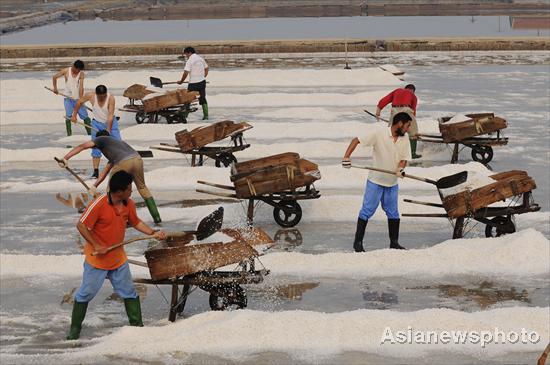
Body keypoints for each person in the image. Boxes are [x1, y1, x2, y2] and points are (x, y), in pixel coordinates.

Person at [65, 170, 166, 340]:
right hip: (97, 259)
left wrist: (152, 232)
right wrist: (97, 244)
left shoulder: (128, 204)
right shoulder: (99, 204)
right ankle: (74, 331)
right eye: (129, 189)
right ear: (120, 191)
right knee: (85, 294)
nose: (131, 191)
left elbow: (136, 222)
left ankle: (137, 328)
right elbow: (81, 225)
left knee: (129, 293)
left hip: (118, 259)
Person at [342, 112, 412, 252]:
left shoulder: (404, 139)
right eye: (407, 125)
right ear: (399, 123)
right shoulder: (379, 133)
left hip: (392, 183)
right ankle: (358, 243)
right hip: (375, 181)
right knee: (367, 211)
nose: (408, 129)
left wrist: (400, 168)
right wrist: (346, 157)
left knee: (393, 213)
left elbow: (404, 158)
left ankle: (394, 243)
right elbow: (356, 140)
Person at [58, 130, 162, 224]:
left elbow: (82, 146)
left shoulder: (101, 139)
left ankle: (114, 218)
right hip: (137, 159)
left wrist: (65, 158)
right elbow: (105, 171)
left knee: (111, 190)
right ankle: (156, 217)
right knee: (142, 188)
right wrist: (94, 186)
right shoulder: (117, 146)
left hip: (124, 161)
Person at [72, 85, 122, 178]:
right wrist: (74, 115)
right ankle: (96, 171)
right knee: (95, 147)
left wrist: (108, 130)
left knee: (118, 144)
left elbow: (110, 116)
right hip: (96, 124)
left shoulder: (111, 98)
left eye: (104, 96)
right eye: (100, 96)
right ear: (96, 94)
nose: (102, 98)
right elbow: (79, 102)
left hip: (110, 123)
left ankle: (120, 169)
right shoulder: (90, 95)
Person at [375, 84, 422, 159]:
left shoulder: (397, 91)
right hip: (406, 109)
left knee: (391, 131)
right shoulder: (413, 96)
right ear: (413, 91)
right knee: (413, 131)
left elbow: (384, 100)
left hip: (395, 110)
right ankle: (412, 153)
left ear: (405, 88)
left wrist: (378, 112)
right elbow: (413, 110)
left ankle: (388, 152)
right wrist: (410, 124)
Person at [52, 60, 91, 136]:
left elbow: (81, 88)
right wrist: (55, 88)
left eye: (79, 70)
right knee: (68, 116)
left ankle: (90, 134)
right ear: (74, 67)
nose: (78, 71)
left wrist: (80, 99)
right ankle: (69, 135)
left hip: (77, 98)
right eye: (77, 70)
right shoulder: (66, 71)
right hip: (68, 98)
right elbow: (54, 77)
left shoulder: (81, 74)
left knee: (85, 116)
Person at [177, 46, 209, 120]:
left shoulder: (190, 60)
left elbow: (185, 73)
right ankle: (206, 116)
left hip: (193, 83)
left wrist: (181, 81)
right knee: (203, 98)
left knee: (188, 99)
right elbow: (206, 68)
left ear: (189, 53)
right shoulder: (201, 59)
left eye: (186, 54)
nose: (186, 56)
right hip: (202, 82)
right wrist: (203, 76)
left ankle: (185, 116)